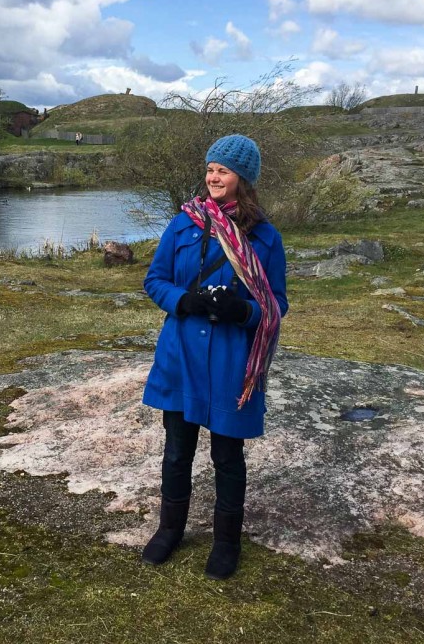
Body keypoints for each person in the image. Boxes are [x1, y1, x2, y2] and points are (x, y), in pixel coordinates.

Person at [140, 134, 288, 580]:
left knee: (227, 456)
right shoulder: (183, 224)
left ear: (243, 178)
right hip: (181, 352)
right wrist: (183, 302)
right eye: (210, 168)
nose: (212, 177)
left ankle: (226, 542)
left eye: (222, 170)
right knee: (176, 451)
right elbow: (155, 279)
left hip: (230, 360)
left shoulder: (264, 237)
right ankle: (170, 530)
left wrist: (243, 310)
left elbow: (276, 304)